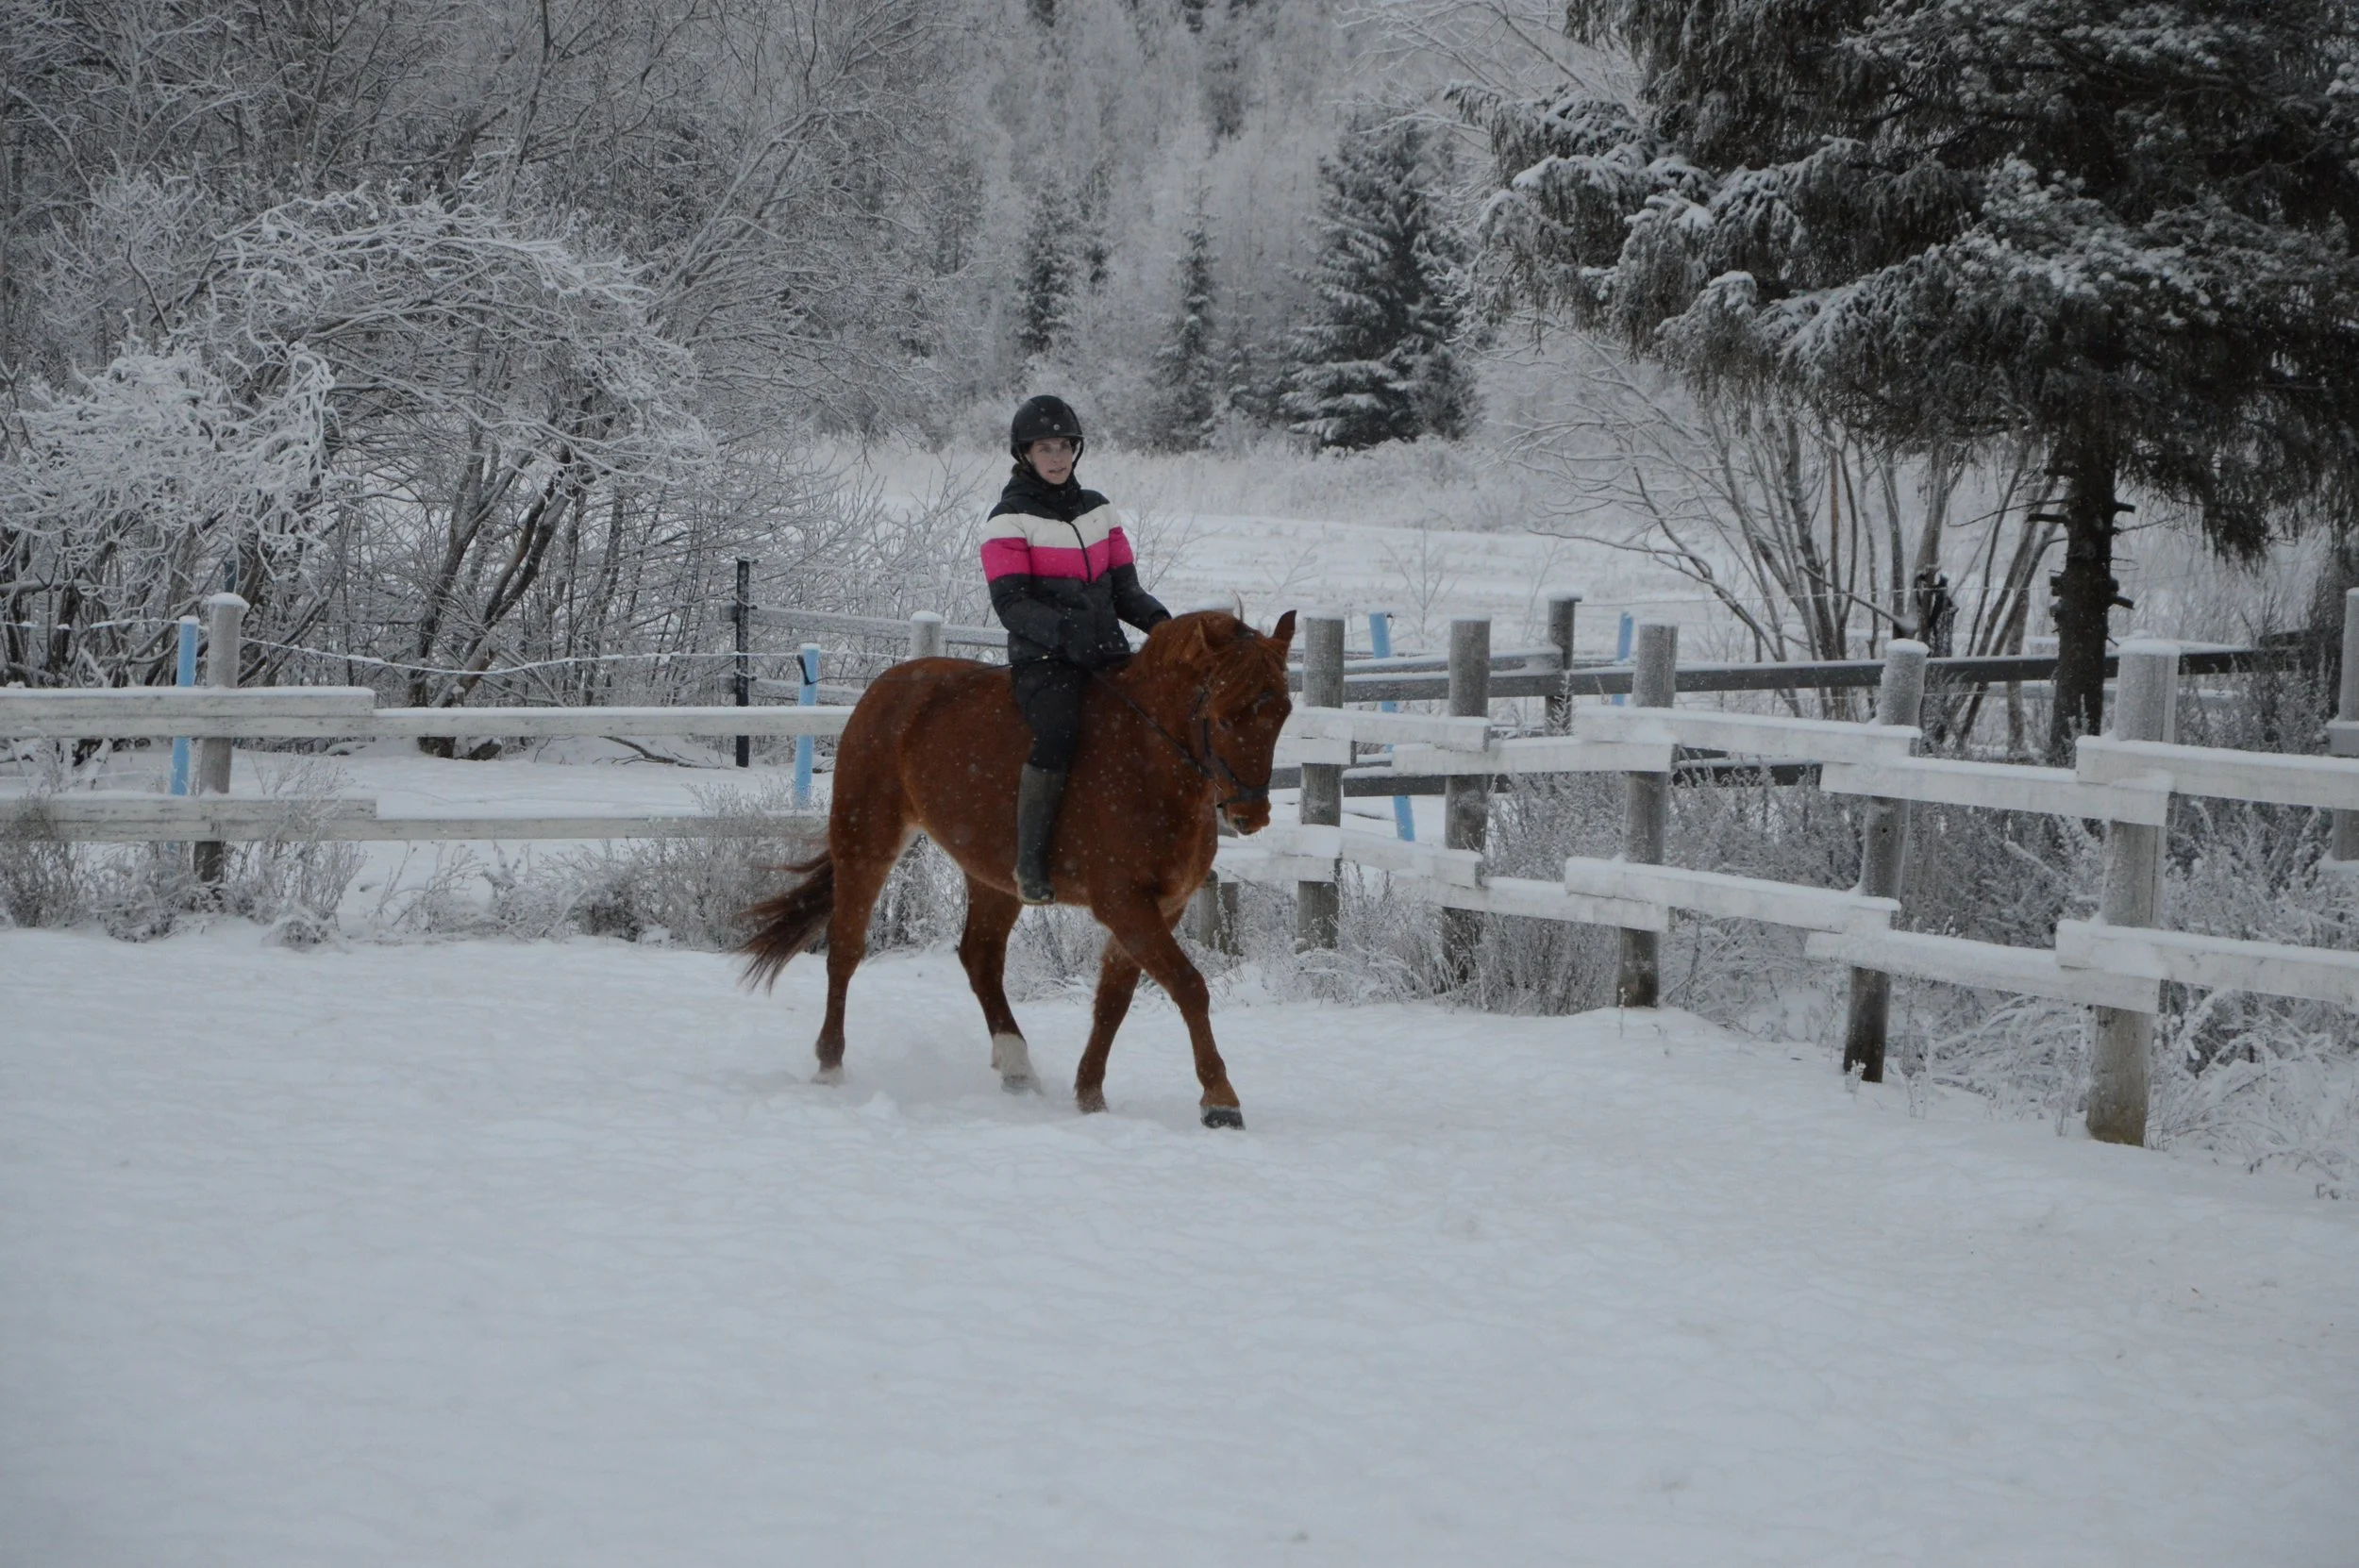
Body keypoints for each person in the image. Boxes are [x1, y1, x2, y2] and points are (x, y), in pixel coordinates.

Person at [980, 394, 1170, 904]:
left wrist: (1161, 624)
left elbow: (1125, 590)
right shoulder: (1008, 519)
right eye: (1046, 448)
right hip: (1044, 660)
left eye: (1065, 446)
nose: (1057, 456)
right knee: (1061, 732)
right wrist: (1065, 633)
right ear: (1025, 454)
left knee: (1164, 714)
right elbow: (1012, 603)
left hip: (1106, 653)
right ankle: (1030, 861)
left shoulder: (1098, 510)